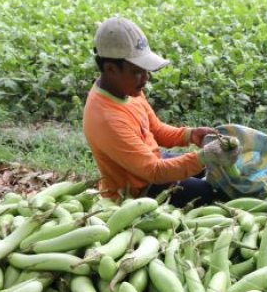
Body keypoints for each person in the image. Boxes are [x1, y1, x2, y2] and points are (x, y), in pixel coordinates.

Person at [83, 16, 239, 206]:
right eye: (137, 71)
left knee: (213, 170)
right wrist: (203, 156)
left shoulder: (127, 89)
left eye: (146, 70)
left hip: (152, 162)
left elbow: (155, 129)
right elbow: (155, 172)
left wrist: (190, 135)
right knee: (210, 193)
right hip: (139, 190)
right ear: (110, 68)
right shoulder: (106, 119)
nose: (146, 78)